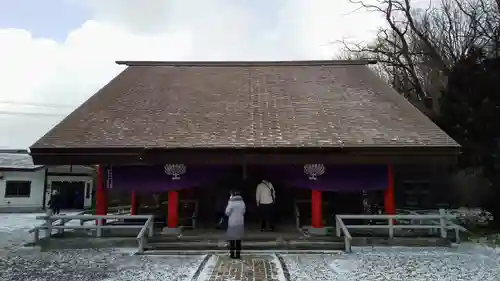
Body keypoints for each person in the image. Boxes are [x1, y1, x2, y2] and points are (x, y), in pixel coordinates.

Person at [225, 189, 246, 259]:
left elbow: (227, 212)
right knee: (238, 240)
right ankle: (238, 254)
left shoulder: (231, 202)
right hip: (240, 222)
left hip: (232, 222)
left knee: (232, 239)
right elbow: (243, 211)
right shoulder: (242, 202)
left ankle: (232, 254)